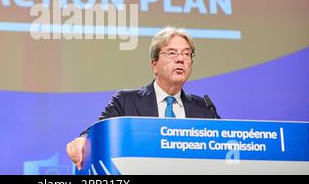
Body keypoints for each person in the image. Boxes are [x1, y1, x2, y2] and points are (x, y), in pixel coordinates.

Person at [66, 26, 220, 170]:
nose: (180, 59)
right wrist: (83, 141)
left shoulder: (203, 108)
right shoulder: (126, 101)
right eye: (172, 53)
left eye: (186, 54)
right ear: (154, 64)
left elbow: (225, 144)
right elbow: (96, 133)